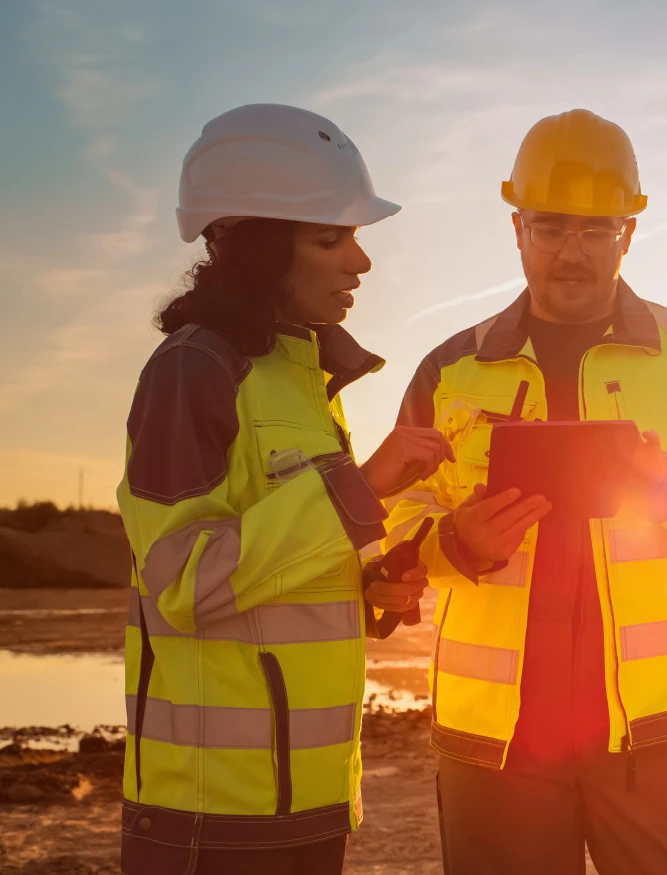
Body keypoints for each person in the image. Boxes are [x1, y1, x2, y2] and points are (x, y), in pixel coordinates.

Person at [382, 108, 667, 874]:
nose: (571, 252)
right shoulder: (448, 371)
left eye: (595, 230)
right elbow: (394, 525)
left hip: (654, 738)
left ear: (629, 233)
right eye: (550, 227)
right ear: (517, 229)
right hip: (496, 745)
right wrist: (456, 542)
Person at [115, 104, 506, 875]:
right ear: (259, 248)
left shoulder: (304, 384)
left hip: (311, 804)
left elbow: (282, 573)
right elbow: (183, 580)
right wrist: (360, 488)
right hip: (210, 818)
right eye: (331, 238)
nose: (360, 262)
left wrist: (373, 587)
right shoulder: (191, 370)